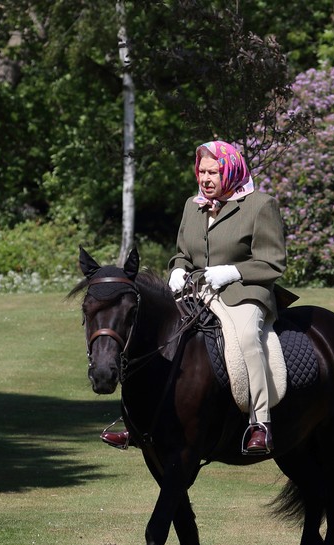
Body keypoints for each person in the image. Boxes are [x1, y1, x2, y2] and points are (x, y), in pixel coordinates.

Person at [101, 140, 287, 454]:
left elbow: (273, 262)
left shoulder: (260, 205)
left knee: (245, 338)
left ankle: (260, 423)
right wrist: (177, 269)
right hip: (197, 291)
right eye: (201, 171)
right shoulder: (193, 204)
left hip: (244, 292)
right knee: (153, 334)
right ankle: (135, 422)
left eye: (213, 172)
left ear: (230, 170)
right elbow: (183, 254)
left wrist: (233, 272)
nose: (205, 178)